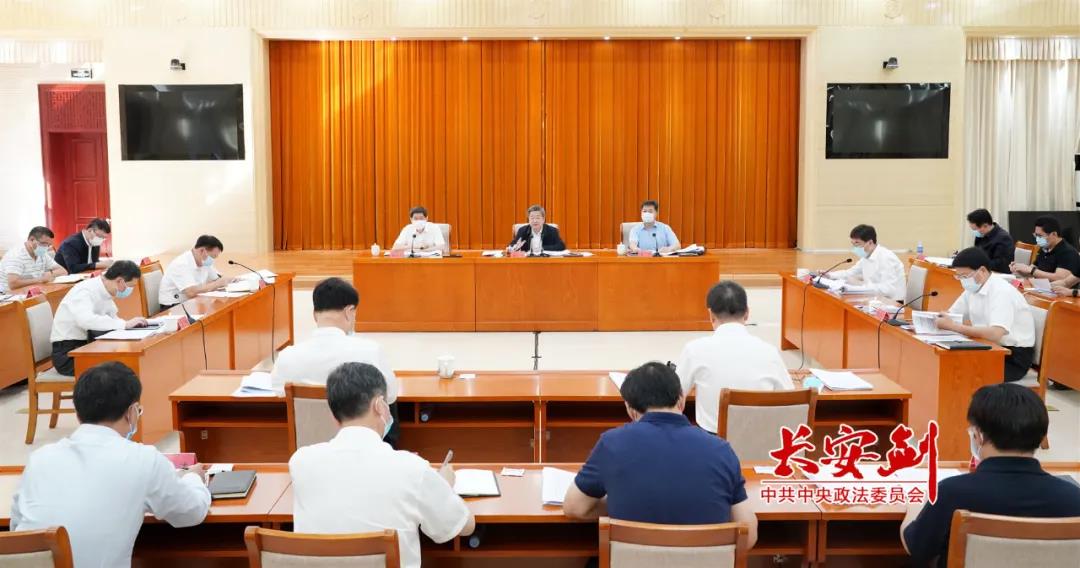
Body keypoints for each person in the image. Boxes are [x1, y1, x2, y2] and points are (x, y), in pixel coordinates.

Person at [12, 361, 211, 567]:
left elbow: (16, 527)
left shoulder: (39, 459)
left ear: (78, 414)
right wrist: (193, 478)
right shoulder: (143, 459)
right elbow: (191, 512)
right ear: (131, 412)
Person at [289, 362, 475, 568]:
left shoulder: (301, 462)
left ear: (334, 416)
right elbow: (464, 526)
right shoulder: (412, 469)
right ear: (379, 405)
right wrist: (444, 486)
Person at [562, 362, 758, 546]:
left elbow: (574, 507)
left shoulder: (612, 444)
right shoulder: (721, 450)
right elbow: (748, 537)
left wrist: (620, 502)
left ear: (630, 409)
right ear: (681, 399)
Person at [900, 383, 1080, 567]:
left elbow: (917, 549)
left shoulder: (952, 492)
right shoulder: (1073, 497)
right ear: (1042, 436)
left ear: (978, 435)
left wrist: (914, 506)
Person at [271, 277, 399, 441]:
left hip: (308, 444)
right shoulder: (370, 351)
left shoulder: (288, 356)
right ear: (349, 312)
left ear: (314, 315)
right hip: (358, 446)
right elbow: (391, 395)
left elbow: (277, 391)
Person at [676, 281, 794, 434]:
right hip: (760, 442)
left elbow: (676, 398)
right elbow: (791, 402)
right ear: (747, 313)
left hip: (711, 442)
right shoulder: (769, 352)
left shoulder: (694, 350)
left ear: (711, 315)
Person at [936, 247, 1035, 382]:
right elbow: (951, 315)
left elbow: (995, 333)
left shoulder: (1002, 291)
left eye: (964, 276)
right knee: (945, 364)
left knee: (958, 372)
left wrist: (953, 326)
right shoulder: (973, 288)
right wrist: (939, 320)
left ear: (982, 270)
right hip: (988, 347)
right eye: (958, 276)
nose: (962, 280)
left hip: (1012, 357)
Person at [50, 260, 149, 376]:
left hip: (88, 346)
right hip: (69, 354)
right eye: (130, 286)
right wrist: (124, 324)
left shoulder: (105, 290)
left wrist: (127, 325)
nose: (130, 291)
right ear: (120, 281)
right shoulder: (85, 291)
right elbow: (86, 321)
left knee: (127, 364)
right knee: (117, 372)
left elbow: (112, 318)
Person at [828, 224, 906, 302]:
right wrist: (829, 275)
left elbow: (888, 289)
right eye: (853, 244)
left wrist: (861, 286)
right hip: (875, 299)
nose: (855, 248)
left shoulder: (886, 257)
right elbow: (850, 273)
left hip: (892, 303)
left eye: (857, 243)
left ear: (870, 242)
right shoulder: (866, 256)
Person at [159, 235, 231, 310]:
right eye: (212, 257)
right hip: (174, 306)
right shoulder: (181, 264)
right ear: (202, 251)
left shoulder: (204, 261)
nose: (212, 260)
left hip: (192, 302)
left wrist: (232, 280)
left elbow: (217, 279)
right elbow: (191, 292)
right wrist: (216, 284)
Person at [1010, 215, 1080, 282]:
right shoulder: (1044, 248)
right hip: (1040, 287)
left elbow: (1060, 278)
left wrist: (1031, 270)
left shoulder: (1067, 252)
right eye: (1036, 235)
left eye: (1040, 236)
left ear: (1054, 234)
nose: (1037, 239)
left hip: (1058, 289)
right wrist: (1019, 269)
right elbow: (1031, 273)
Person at [1, 226, 67, 294]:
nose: (46, 247)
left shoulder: (42, 253)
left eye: (49, 245)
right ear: (31, 239)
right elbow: (13, 284)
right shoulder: (16, 255)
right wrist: (41, 279)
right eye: (43, 243)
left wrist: (50, 274)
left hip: (33, 291)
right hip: (9, 295)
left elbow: (63, 271)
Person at [967, 209, 1013, 274]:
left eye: (975, 229)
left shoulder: (1004, 238)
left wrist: (978, 264)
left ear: (985, 225)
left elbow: (1002, 265)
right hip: (982, 271)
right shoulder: (981, 235)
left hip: (997, 274)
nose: (975, 232)